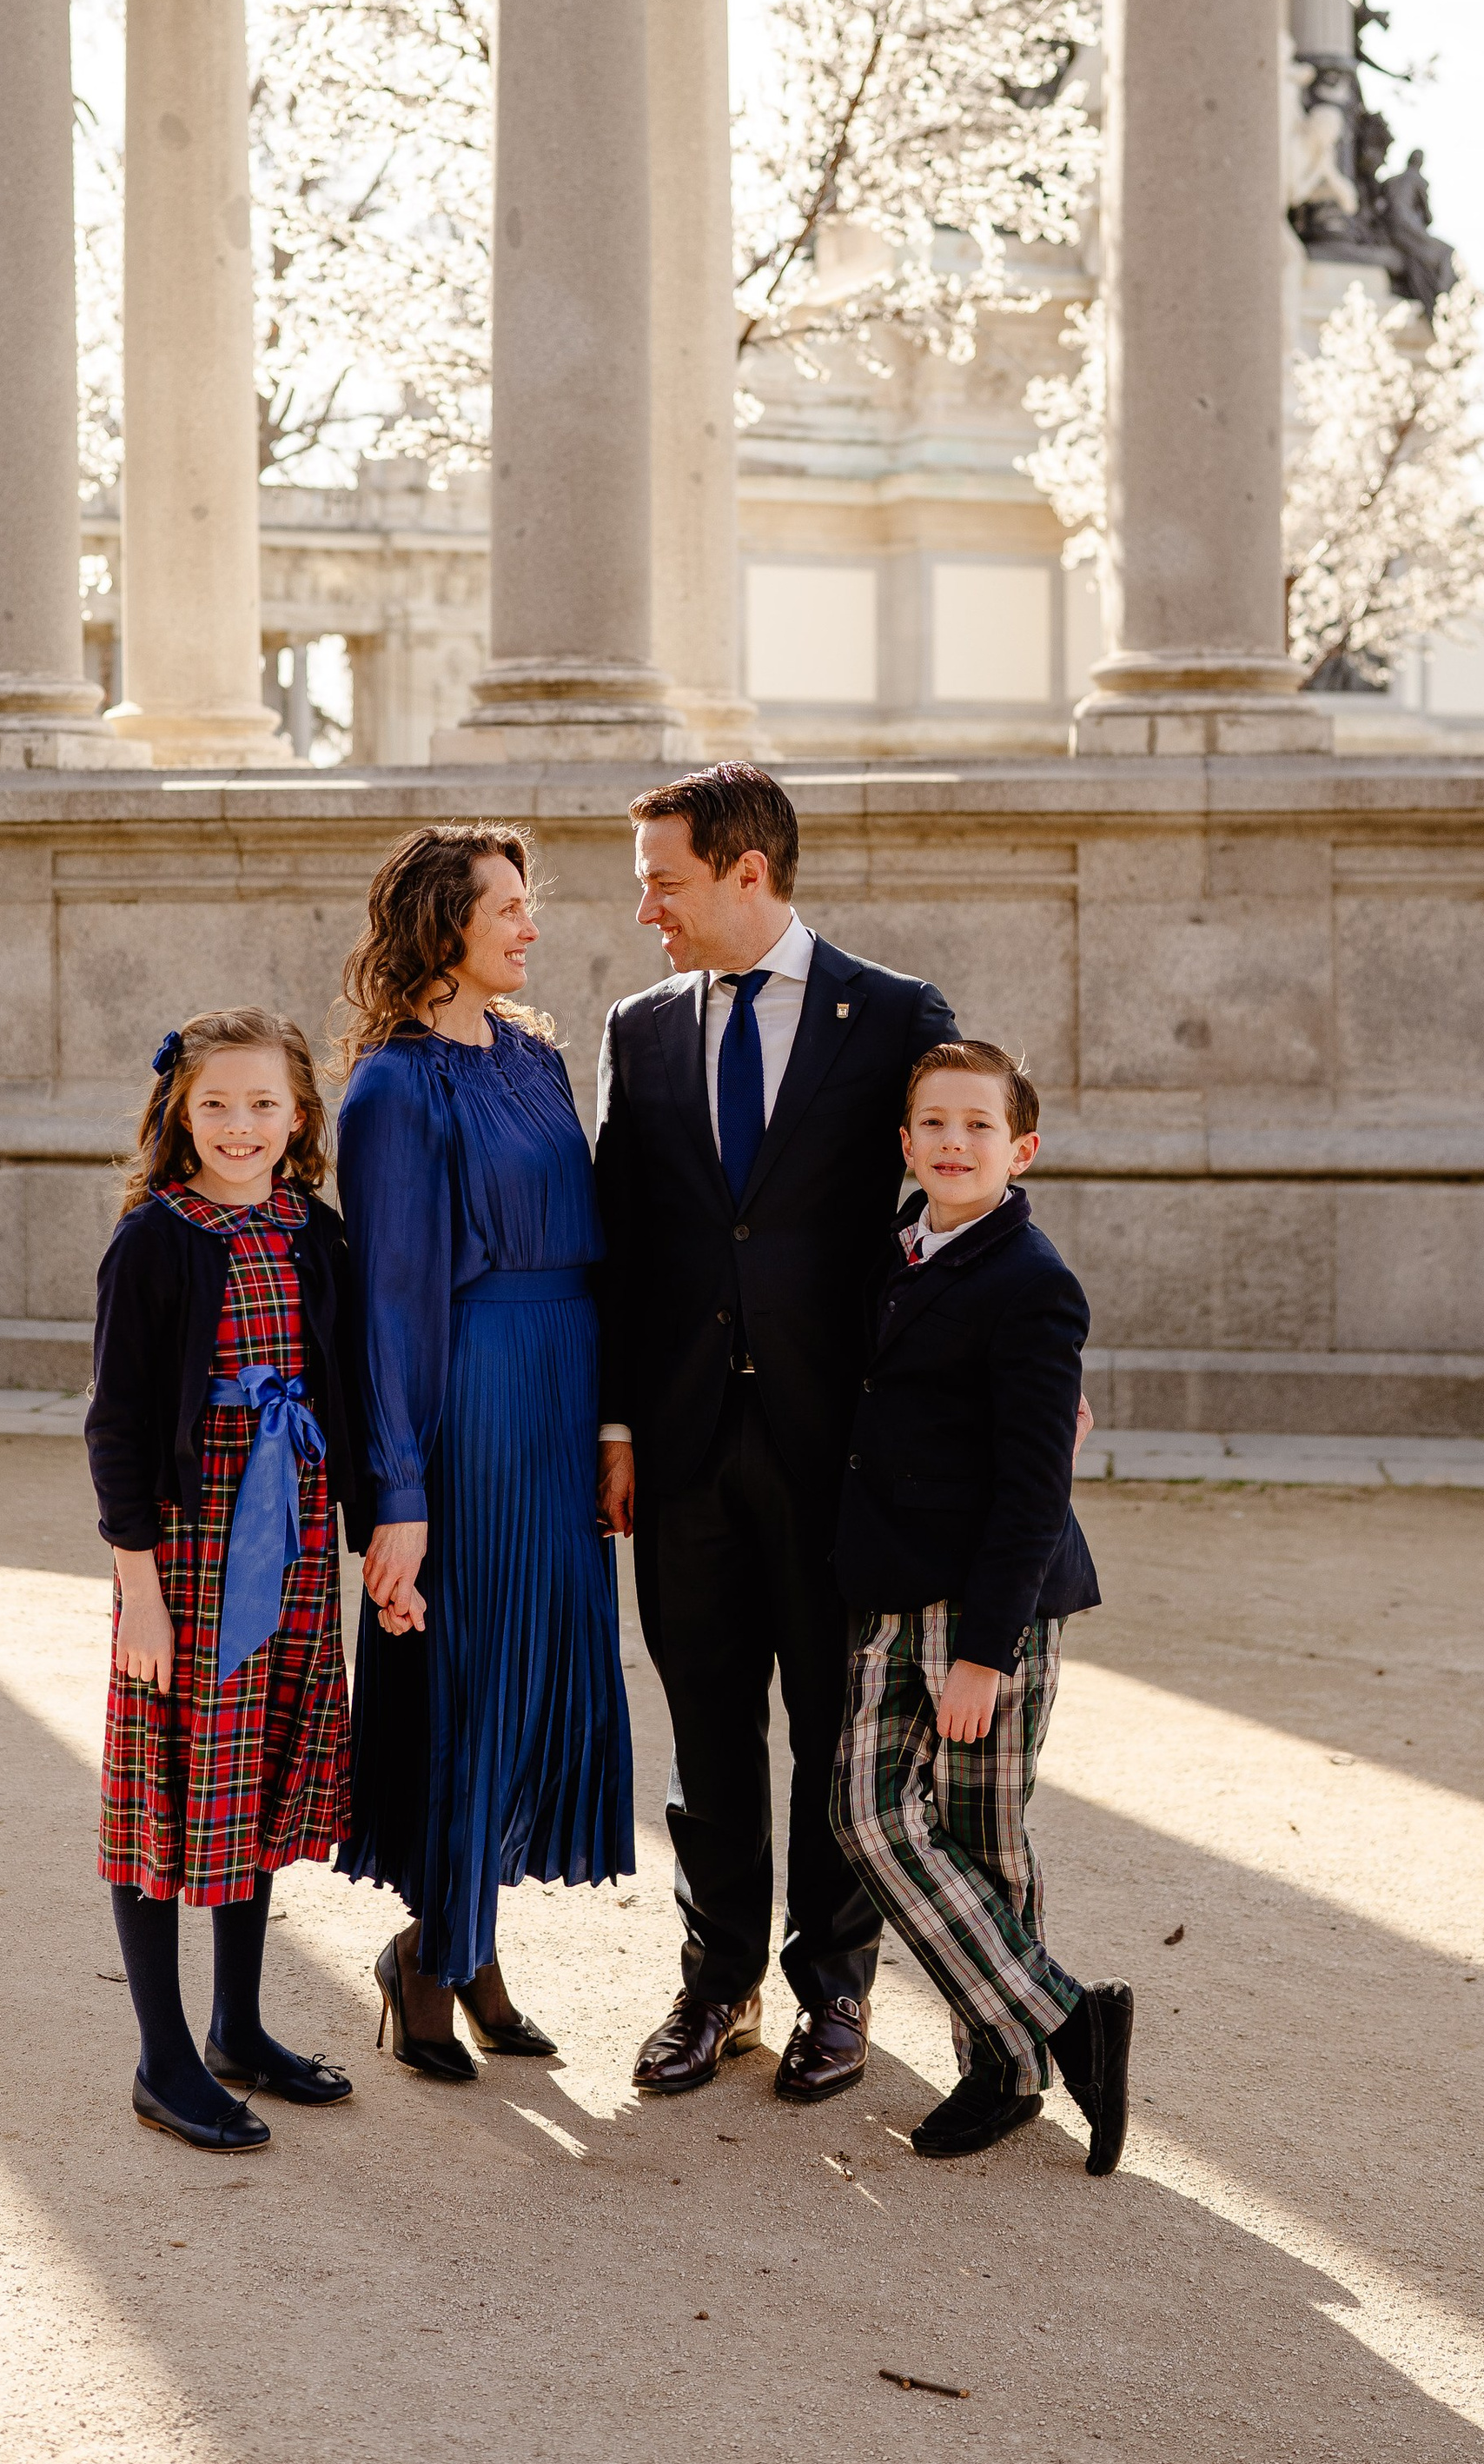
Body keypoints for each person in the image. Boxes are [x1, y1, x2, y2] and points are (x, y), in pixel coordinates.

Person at [592, 762, 959, 2105]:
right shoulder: (635, 1029)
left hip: (840, 1451)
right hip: (681, 1445)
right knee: (705, 1732)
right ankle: (717, 1982)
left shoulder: (899, 1016)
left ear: (749, 873)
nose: (649, 914)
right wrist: (617, 1424)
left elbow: (948, 1208)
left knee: (837, 1728)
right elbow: (622, 1242)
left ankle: (837, 1991)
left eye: (665, 884)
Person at [335, 824, 634, 2080]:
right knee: (466, 1685)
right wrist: (396, 1494)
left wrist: (616, 1427)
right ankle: (434, 1958)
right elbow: (392, 1301)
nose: (530, 923)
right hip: (470, 1408)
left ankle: (464, 1942)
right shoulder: (393, 1087)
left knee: (533, 1684)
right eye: (506, 905)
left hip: (564, 1405)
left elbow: (599, 1255)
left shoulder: (534, 1058)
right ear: (440, 925)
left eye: (529, 902)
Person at [831, 1039, 1131, 2171]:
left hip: (988, 1610)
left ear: (1023, 1149)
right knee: (864, 1814)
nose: (956, 1144)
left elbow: (1030, 1491)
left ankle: (1005, 2069)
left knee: (983, 1838)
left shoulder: (1035, 1281)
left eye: (980, 1127)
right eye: (935, 1125)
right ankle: (1066, 2014)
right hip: (887, 1597)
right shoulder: (890, 1255)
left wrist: (987, 1655)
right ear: (905, 1144)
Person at [85, 1008, 367, 2155]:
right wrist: (138, 1590)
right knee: (167, 1789)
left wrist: (380, 1531)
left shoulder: (315, 1231)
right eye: (217, 1105)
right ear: (178, 1113)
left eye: (264, 1104)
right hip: (186, 1556)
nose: (241, 1126)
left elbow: (344, 1386)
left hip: (290, 1540)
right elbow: (116, 1424)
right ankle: (162, 2061)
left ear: (298, 1115)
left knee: (246, 1776)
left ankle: (238, 2028)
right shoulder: (154, 1241)